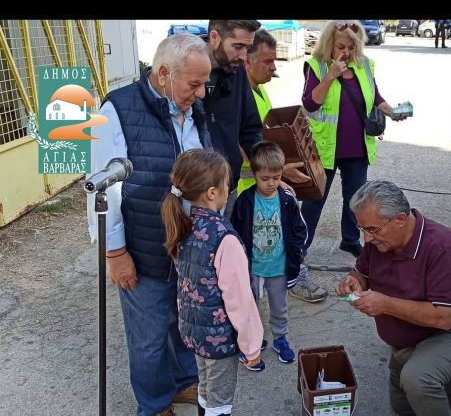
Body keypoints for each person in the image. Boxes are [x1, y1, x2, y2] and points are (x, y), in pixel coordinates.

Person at [86, 33, 211, 416]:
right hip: (142, 248)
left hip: (185, 246)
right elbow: (102, 191)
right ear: (163, 74)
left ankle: (182, 384)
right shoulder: (116, 111)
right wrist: (116, 252)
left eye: (205, 83)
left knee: (182, 322)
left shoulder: (191, 109)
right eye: (194, 84)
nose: (202, 93)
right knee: (149, 337)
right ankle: (155, 404)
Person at [336, 180, 451, 416]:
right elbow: (362, 272)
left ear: (400, 220)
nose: (366, 239)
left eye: (372, 230)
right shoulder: (379, 241)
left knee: (417, 380)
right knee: (403, 405)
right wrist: (355, 282)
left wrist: (384, 303)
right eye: (362, 229)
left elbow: (445, 317)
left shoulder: (441, 247)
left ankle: (426, 370)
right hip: (412, 334)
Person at [161, 149, 263, 416]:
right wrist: (252, 345)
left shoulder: (182, 224)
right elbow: (240, 299)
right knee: (219, 402)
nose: (229, 189)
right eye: (227, 184)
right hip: (219, 339)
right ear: (211, 192)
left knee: (206, 389)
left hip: (195, 332)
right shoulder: (224, 238)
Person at [300, 20, 401, 265]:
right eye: (341, 46)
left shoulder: (365, 65)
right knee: (314, 200)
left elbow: (374, 96)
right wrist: (331, 76)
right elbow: (311, 104)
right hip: (325, 148)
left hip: (357, 147)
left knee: (355, 199)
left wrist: (391, 111)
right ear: (329, 45)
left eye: (351, 47)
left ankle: (350, 239)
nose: (346, 52)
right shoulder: (318, 66)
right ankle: (299, 246)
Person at [238, 29, 327, 303]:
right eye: (268, 62)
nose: (274, 68)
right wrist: (279, 172)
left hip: (266, 185)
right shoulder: (240, 98)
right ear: (247, 62)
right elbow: (238, 152)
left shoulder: (259, 91)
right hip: (249, 190)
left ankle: (285, 279)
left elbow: (262, 139)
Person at [203, 20, 308, 220]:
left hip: (228, 189)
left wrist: (272, 171)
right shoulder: (186, 68)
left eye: (247, 48)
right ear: (215, 37)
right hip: (194, 194)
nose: (243, 56)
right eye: (238, 47)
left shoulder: (237, 72)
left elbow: (251, 129)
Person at [231, 142, 306, 368]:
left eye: (276, 177)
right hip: (252, 268)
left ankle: (280, 338)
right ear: (254, 174)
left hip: (278, 268)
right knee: (248, 306)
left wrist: (297, 253)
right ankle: (250, 342)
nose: (271, 183)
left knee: (279, 306)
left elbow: (299, 229)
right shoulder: (244, 200)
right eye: (265, 178)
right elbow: (234, 231)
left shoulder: (287, 200)